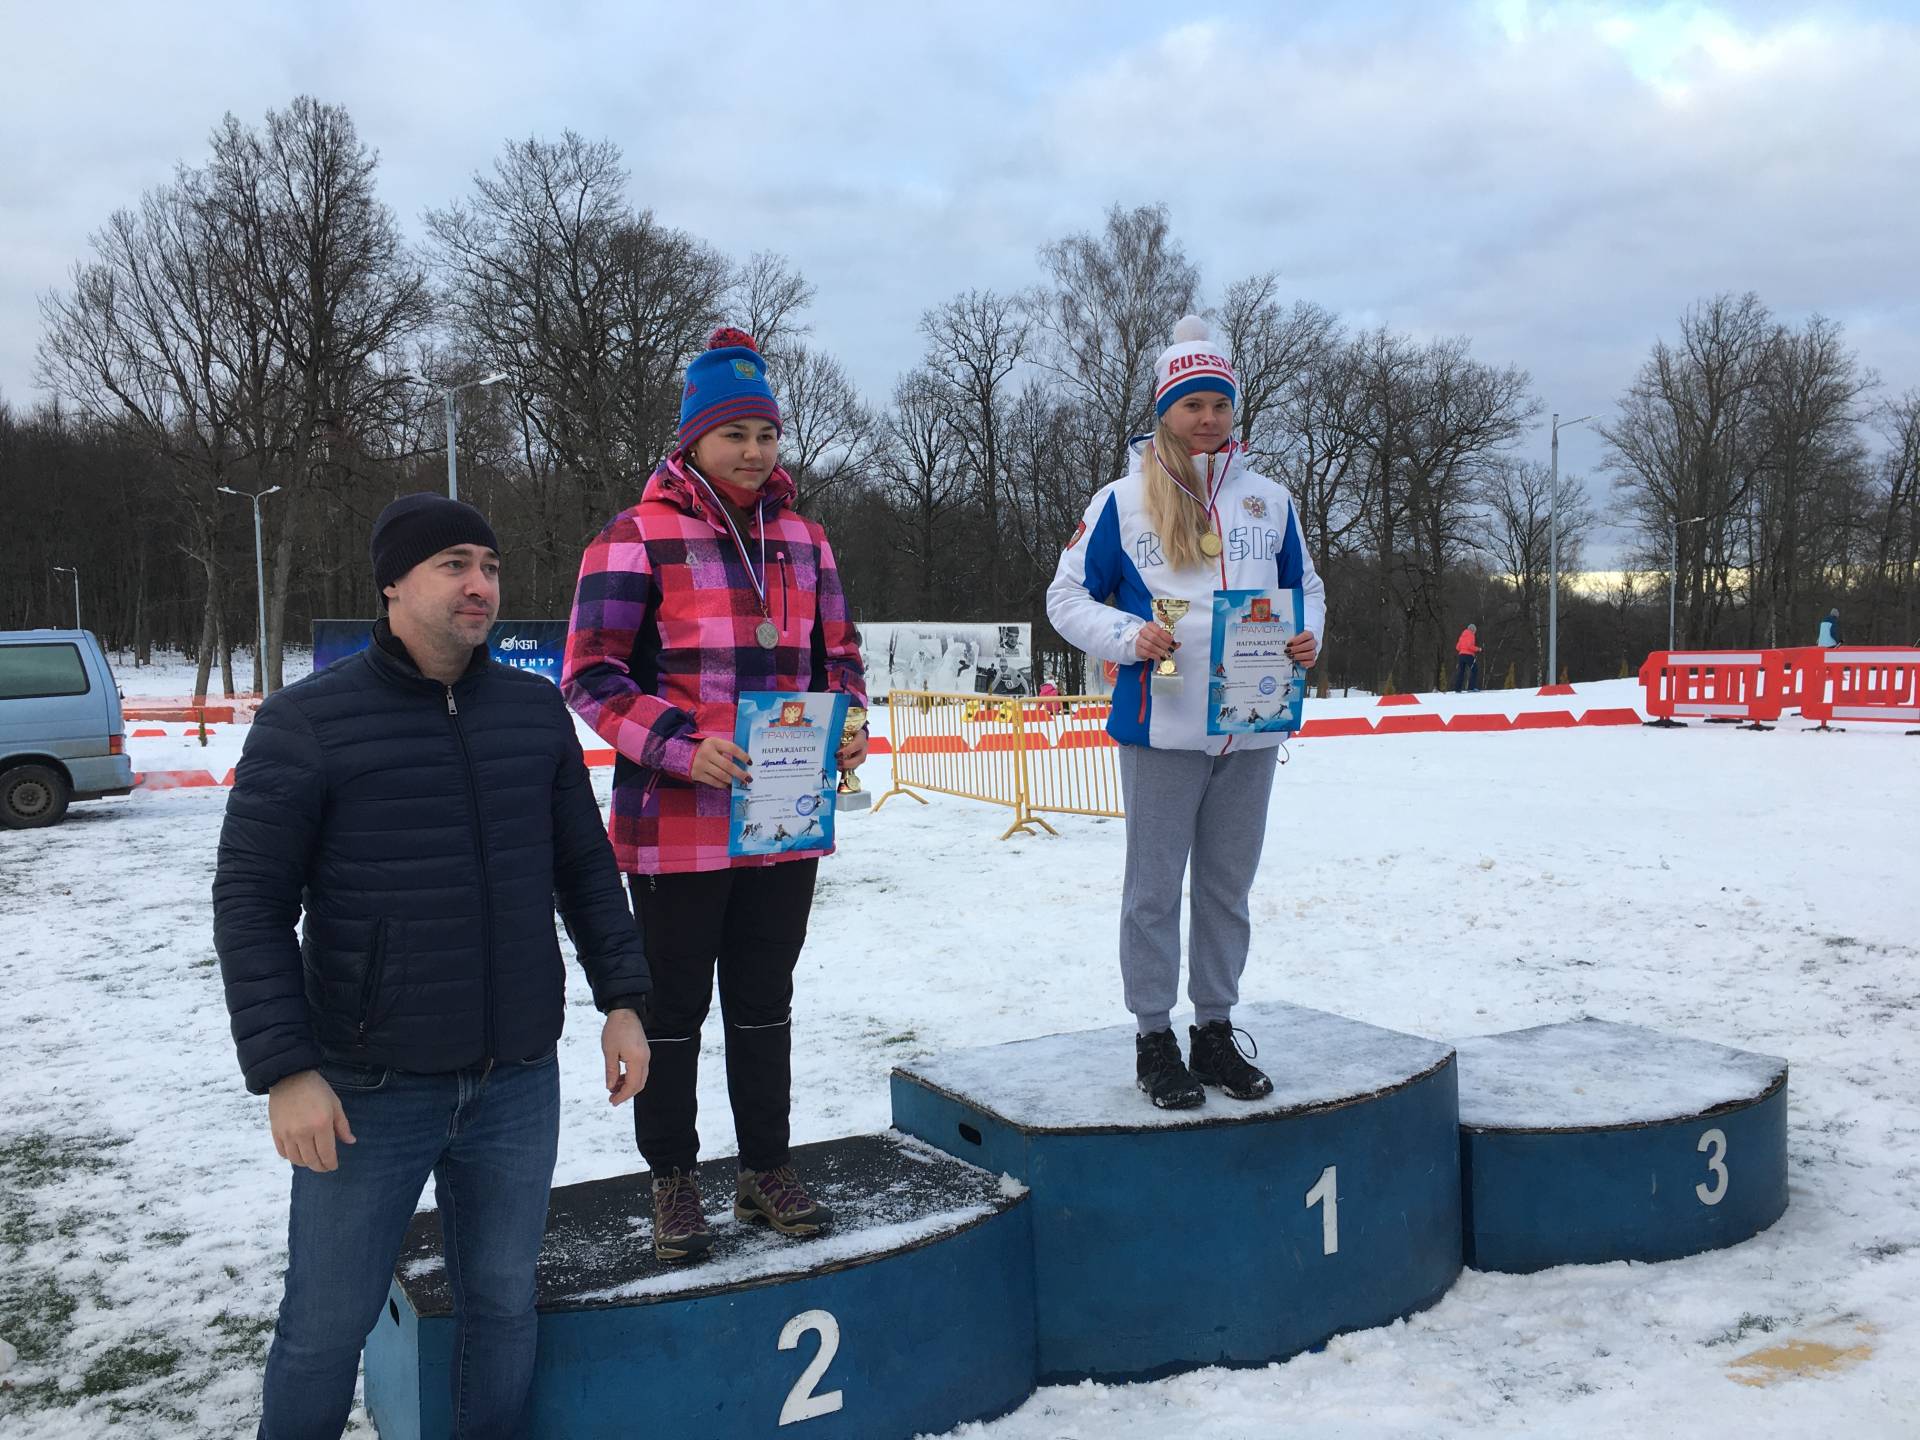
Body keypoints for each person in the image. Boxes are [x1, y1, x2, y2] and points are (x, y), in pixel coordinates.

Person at [213, 493, 652, 1440]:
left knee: (502, 1306)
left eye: (489, 567)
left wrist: (623, 999)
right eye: (454, 564)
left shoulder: (532, 712)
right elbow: (250, 906)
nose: (479, 584)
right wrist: (286, 1071)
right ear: (392, 584)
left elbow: (583, 867)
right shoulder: (308, 722)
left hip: (515, 1078)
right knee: (326, 1325)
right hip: (367, 1088)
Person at [563, 328, 868, 1261]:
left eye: (766, 434)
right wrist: (679, 749)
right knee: (673, 1011)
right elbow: (591, 675)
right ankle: (673, 1179)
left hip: (784, 822)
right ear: (693, 438)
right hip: (677, 824)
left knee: (765, 1001)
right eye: (734, 433)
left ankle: (765, 1168)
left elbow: (840, 657)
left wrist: (852, 721)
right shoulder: (633, 537)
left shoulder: (806, 540)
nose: (753, 451)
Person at [1046, 316, 1325, 1110]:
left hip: (1252, 725)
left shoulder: (1269, 501)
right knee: (1154, 892)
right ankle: (1153, 1038)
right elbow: (1065, 596)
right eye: (1193, 404)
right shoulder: (1123, 500)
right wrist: (1127, 636)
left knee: (1228, 889)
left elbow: (1305, 587)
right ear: (1165, 409)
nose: (1208, 418)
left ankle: (1214, 1030)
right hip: (1161, 725)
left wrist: (1307, 635)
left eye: (1220, 404)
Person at [1454, 623, 1480, 691]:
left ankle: (1457, 688)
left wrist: (1463, 649)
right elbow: (1469, 646)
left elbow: (1457, 647)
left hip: (1461, 655)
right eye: (1475, 631)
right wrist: (1478, 649)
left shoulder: (1462, 636)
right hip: (1468, 655)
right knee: (1474, 669)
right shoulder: (1471, 635)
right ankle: (1471, 687)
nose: (1475, 633)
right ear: (1473, 630)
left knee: (1461, 672)